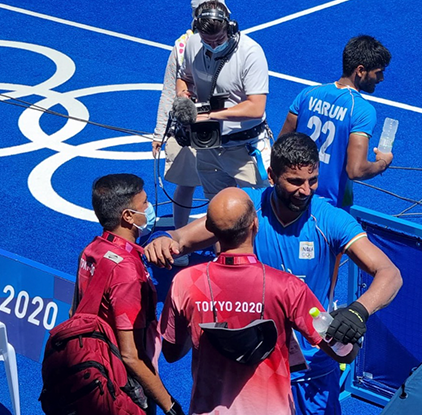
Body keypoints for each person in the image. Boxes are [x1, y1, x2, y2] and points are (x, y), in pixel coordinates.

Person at [145, 133, 403, 415]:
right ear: (271, 176)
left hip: (312, 371)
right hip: (257, 371)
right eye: (295, 181)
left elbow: (389, 273)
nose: (306, 190)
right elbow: (180, 238)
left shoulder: (329, 219)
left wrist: (358, 311)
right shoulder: (247, 210)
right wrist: (163, 239)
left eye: (312, 180)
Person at [160, 187, 357, 414]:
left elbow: (171, 353)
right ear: (255, 223)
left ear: (210, 229)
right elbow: (339, 351)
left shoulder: (184, 282)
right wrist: (352, 329)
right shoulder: (287, 287)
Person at [71, 174, 183, 415]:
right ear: (128, 217)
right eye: (144, 204)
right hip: (119, 385)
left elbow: (74, 311)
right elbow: (131, 356)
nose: (150, 208)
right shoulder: (128, 271)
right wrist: (170, 405)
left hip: (88, 367)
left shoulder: (91, 249)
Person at [151, 1, 230, 267]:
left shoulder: (233, 43)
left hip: (219, 126)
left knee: (220, 191)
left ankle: (223, 249)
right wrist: (159, 132)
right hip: (190, 127)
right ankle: (179, 245)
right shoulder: (182, 47)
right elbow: (169, 91)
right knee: (187, 185)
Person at [279, 35, 393, 209]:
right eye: (378, 72)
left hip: (293, 199)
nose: (381, 78)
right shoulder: (362, 111)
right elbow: (356, 170)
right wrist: (383, 163)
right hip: (330, 208)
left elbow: (281, 146)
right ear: (360, 70)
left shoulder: (307, 94)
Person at [175, 0, 272, 201]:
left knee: (260, 209)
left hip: (246, 148)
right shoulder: (193, 44)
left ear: (230, 28)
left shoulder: (251, 53)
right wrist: (183, 96)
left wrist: (208, 115)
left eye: (219, 40)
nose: (213, 45)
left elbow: (256, 107)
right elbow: (184, 78)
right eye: (207, 41)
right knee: (218, 210)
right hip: (207, 146)